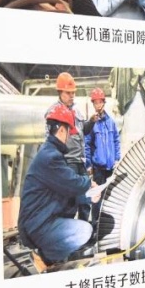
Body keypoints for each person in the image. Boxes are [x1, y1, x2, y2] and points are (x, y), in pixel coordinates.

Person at [17, 104, 94, 273]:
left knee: (78, 222)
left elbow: (67, 190)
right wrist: (89, 184)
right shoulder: (50, 157)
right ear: (61, 130)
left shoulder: (50, 152)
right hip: (37, 225)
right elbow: (72, 184)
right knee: (83, 231)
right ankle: (43, 258)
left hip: (40, 220)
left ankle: (48, 256)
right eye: (69, 132)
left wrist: (89, 194)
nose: (69, 138)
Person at [46, 72, 87, 219]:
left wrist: (91, 123)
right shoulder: (53, 112)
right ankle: (67, 230)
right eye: (68, 93)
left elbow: (82, 132)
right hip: (67, 162)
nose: (72, 96)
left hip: (80, 161)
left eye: (73, 93)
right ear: (60, 92)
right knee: (69, 203)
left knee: (85, 201)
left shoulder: (76, 110)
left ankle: (85, 230)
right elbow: (50, 140)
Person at [82, 87, 121, 225]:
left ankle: (107, 226)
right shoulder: (91, 124)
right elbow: (87, 144)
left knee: (110, 198)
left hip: (110, 168)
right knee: (97, 199)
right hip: (98, 169)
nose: (98, 105)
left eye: (100, 102)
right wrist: (88, 165)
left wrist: (117, 159)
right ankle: (95, 226)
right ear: (93, 104)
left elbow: (116, 141)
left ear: (104, 103)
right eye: (95, 102)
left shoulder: (111, 122)